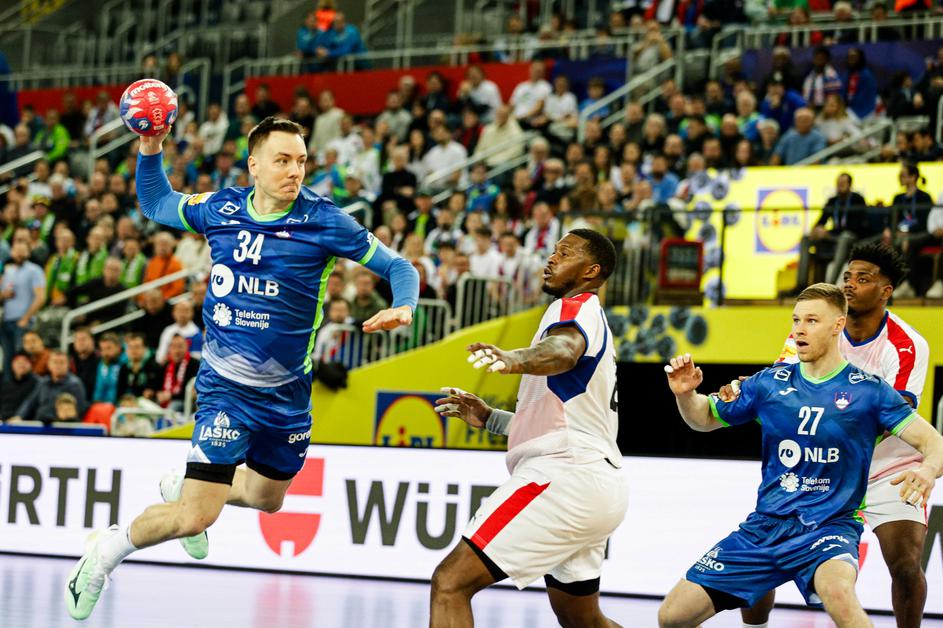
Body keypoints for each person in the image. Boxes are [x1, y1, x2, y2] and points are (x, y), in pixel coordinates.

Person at [64, 116, 419, 621]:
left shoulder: (324, 221)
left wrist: (404, 304)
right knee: (194, 518)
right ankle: (104, 553)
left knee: (266, 498)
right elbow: (157, 203)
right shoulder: (221, 208)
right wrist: (151, 146)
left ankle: (181, 482)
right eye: (282, 160)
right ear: (253, 164)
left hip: (288, 395)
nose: (294, 171)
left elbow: (399, 266)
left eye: (301, 161)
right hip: (225, 389)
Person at [658, 283, 943, 628]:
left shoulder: (869, 391)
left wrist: (928, 470)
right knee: (671, 616)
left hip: (829, 527)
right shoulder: (769, 383)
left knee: (839, 595)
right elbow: (703, 419)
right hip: (765, 527)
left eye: (811, 321)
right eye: (796, 320)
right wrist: (686, 395)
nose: (799, 330)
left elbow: (933, 442)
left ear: (837, 325)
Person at [429, 230, 627, 628]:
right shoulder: (591, 320)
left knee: (450, 583)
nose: (551, 258)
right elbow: (560, 420)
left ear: (591, 271)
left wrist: (515, 358)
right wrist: (490, 418)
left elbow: (564, 350)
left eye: (564, 253)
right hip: (598, 482)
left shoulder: (574, 307)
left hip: (565, 476)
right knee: (583, 621)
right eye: (553, 251)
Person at [740, 244, 933, 628]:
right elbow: (780, 388)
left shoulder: (907, 344)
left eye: (863, 278)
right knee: (761, 552)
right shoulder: (814, 328)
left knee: (906, 564)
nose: (850, 284)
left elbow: (891, 419)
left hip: (887, 469)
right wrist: (749, 392)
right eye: (847, 276)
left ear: (886, 290)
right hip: (819, 466)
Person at [795, 173, 870, 289]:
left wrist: (828, 234)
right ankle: (801, 284)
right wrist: (817, 229)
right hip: (833, 235)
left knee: (844, 237)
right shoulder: (833, 201)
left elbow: (857, 226)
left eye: (843, 183)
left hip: (851, 235)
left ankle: (830, 285)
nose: (840, 186)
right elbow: (822, 220)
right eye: (838, 183)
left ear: (850, 185)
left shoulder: (857, 199)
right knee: (805, 239)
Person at [0, 239, 45, 377]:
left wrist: (26, 318)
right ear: (11, 252)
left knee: (22, 359)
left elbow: (41, 297)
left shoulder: (34, 270)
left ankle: (25, 387)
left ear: (28, 252)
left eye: (22, 251)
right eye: (16, 250)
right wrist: (4, 295)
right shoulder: (7, 271)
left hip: (23, 322)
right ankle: (7, 388)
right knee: (7, 360)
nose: (19, 254)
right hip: (6, 321)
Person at [891, 162, 935, 298]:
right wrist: (896, 230)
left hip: (921, 233)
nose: (900, 178)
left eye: (903, 175)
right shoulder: (898, 198)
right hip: (901, 235)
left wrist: (908, 233)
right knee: (898, 242)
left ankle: (908, 284)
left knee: (907, 242)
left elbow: (926, 221)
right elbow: (893, 219)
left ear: (913, 177)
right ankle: (897, 283)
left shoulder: (924, 197)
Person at [9, 350, 87, 424]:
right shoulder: (43, 382)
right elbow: (30, 402)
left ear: (68, 365)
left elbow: (79, 411)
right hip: (39, 424)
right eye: (55, 362)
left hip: (61, 426)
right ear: (49, 364)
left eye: (62, 362)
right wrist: (19, 416)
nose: (58, 365)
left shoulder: (74, 384)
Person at [155, 300, 202, 364]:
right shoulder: (168, 331)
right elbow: (160, 356)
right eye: (179, 311)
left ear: (192, 313)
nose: (182, 314)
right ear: (173, 313)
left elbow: (199, 356)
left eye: (186, 311)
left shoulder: (197, 332)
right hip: (171, 365)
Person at [117, 332, 160, 401]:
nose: (133, 350)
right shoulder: (124, 367)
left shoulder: (154, 367)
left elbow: (158, 390)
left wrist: (152, 393)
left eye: (137, 347)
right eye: (130, 347)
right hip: (128, 403)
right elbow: (120, 392)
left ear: (145, 348)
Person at [0, 352, 38, 422]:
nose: (21, 365)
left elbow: (31, 403)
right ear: (12, 364)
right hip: (3, 420)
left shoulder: (37, 382)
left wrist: (20, 417)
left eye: (25, 362)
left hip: (25, 422)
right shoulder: (4, 380)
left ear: (31, 364)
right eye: (18, 362)